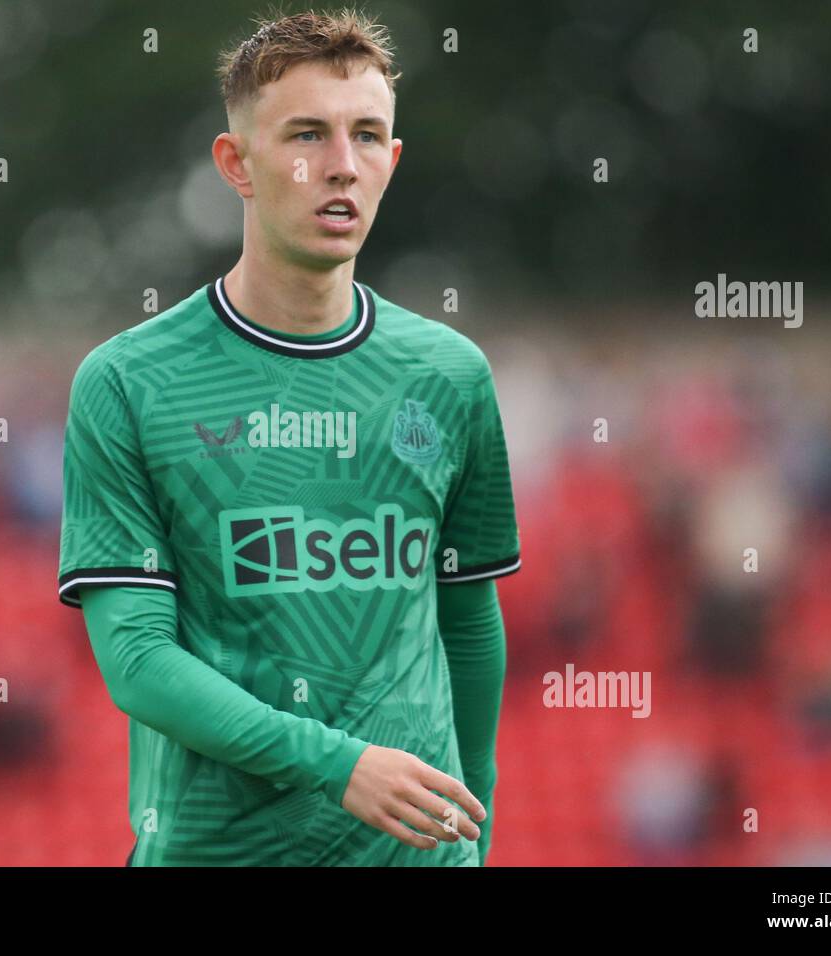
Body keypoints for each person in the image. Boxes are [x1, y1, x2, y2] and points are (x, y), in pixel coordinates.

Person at [58, 9, 520, 866]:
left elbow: (468, 621)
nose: (341, 165)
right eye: (308, 133)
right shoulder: (130, 382)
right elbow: (136, 657)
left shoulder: (450, 376)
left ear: (392, 160)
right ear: (237, 164)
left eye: (368, 136)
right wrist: (338, 766)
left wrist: (472, 831)